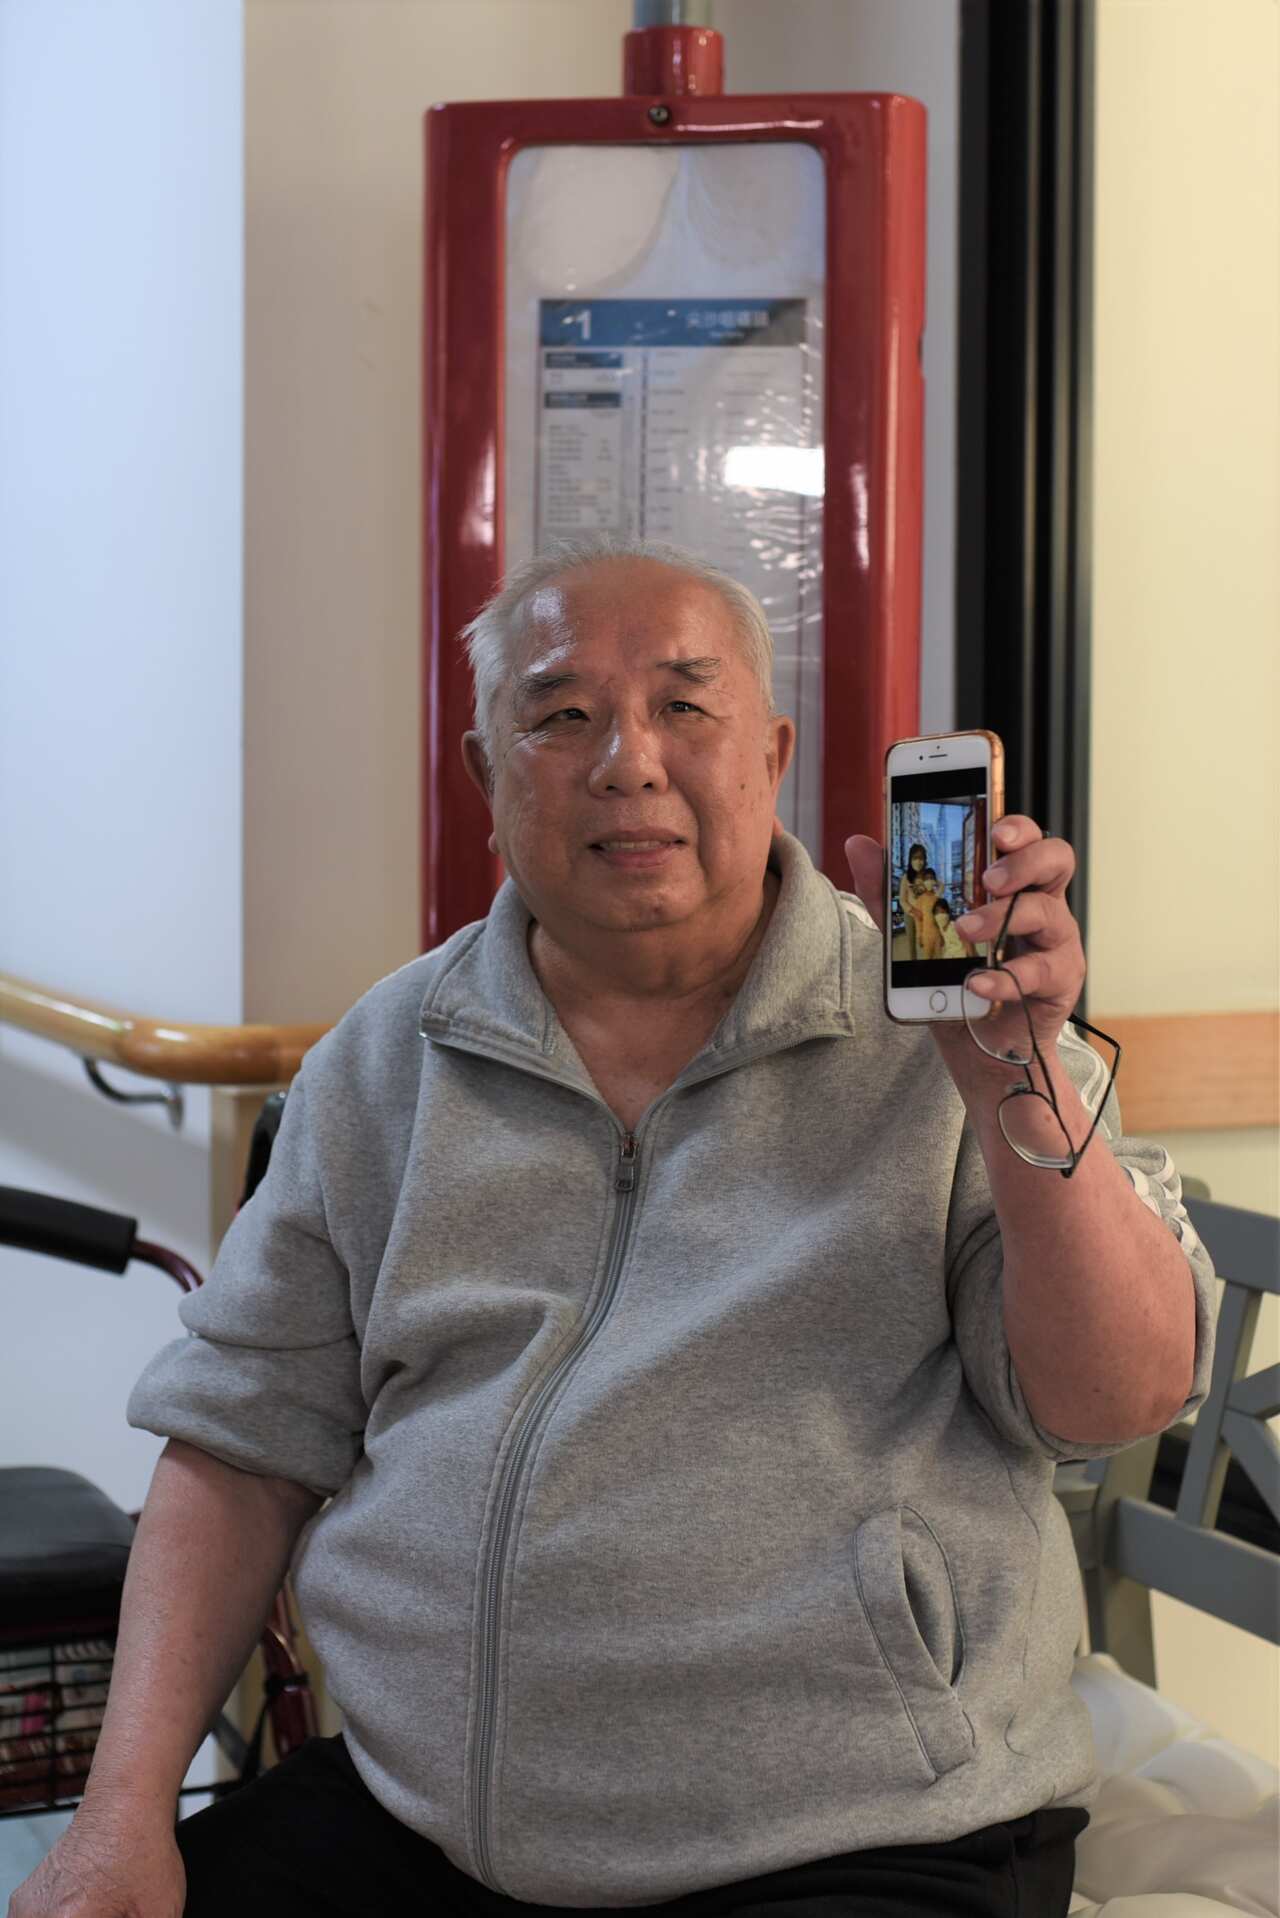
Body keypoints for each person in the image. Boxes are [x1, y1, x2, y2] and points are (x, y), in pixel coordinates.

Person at [11, 537, 1214, 1918]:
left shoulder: (955, 1036)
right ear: (485, 774)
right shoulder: (386, 1056)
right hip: (425, 1818)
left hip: (861, 1831)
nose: (628, 760)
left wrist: (1014, 1075)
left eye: (684, 707)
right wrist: (120, 1817)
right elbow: (236, 1442)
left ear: (768, 755)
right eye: (561, 713)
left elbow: (1115, 1397)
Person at [897, 843, 928, 959]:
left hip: (925, 916)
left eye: (921, 858)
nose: (918, 861)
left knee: (926, 943)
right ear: (910, 860)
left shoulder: (928, 876)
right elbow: (902, 899)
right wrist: (913, 911)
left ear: (925, 860)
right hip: (910, 916)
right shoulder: (906, 877)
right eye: (915, 858)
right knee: (912, 946)